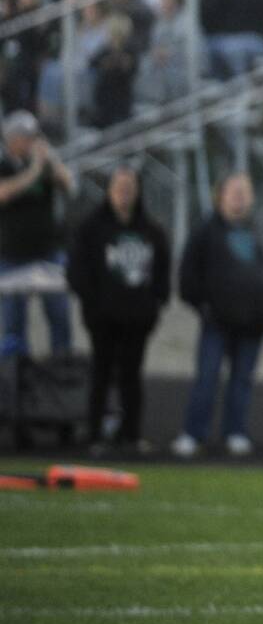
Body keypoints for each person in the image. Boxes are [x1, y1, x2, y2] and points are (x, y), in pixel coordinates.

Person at [170, 173, 263, 459]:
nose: (240, 198)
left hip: (253, 322)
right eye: (234, 192)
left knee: (242, 380)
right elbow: (188, 272)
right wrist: (202, 305)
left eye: (244, 192)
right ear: (220, 196)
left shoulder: (262, 229)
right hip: (217, 321)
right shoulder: (206, 229)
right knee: (208, 377)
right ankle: (193, 433)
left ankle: (235, 432)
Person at [66, 164, 171, 454]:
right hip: (103, 318)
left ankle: (131, 434)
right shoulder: (91, 228)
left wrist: (155, 304)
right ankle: (95, 434)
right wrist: (93, 304)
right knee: (101, 373)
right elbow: (77, 271)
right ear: (109, 191)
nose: (124, 193)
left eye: (129, 188)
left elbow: (162, 271)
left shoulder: (151, 230)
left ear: (137, 192)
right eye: (119, 187)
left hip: (138, 318)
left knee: (131, 376)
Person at [0, 112, 74, 362]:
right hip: (12, 255)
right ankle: (17, 374)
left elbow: (69, 185)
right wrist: (33, 170)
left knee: (59, 314)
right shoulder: (4, 164)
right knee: (13, 321)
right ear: (12, 139)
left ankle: (61, 365)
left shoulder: (43, 163)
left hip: (47, 251)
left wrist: (51, 159)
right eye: (27, 137)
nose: (32, 141)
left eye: (34, 136)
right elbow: (3, 194)